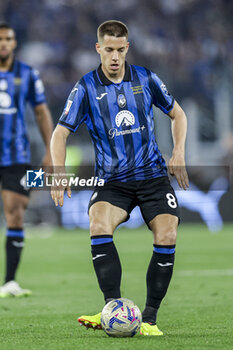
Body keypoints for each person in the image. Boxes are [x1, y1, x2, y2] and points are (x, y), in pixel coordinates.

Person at [50, 20, 189, 336]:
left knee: (167, 234)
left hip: (153, 176)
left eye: (120, 49)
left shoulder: (146, 78)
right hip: (112, 181)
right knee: (99, 225)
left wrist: (179, 152)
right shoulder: (86, 87)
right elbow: (60, 134)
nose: (114, 56)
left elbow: (178, 114)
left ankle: (150, 320)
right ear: (98, 48)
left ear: (128, 48)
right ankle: (113, 310)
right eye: (108, 49)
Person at [0, 23, 53, 297]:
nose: (4, 44)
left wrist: (50, 149)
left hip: (15, 154)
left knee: (16, 212)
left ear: (15, 42)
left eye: (8, 38)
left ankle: (9, 281)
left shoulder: (27, 73)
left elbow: (42, 112)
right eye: (0, 39)